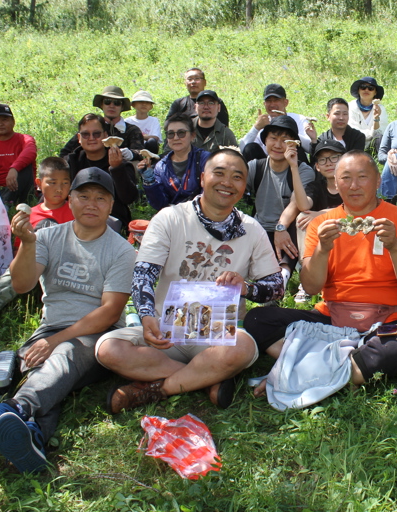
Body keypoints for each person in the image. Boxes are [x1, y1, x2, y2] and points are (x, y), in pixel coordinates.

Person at [0, 168, 135, 473]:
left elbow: (110, 313)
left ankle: (15, 408)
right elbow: (20, 284)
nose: (92, 204)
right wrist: (27, 244)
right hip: (49, 330)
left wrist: (54, 341)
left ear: (111, 206)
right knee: (49, 374)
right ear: (70, 200)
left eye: (100, 198)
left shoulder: (122, 250)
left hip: (98, 337)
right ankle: (34, 436)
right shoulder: (46, 236)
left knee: (64, 355)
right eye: (84, 196)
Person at [97, 149, 283, 413]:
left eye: (237, 177)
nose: (227, 182)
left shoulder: (251, 229)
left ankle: (158, 389)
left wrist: (247, 288)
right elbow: (143, 273)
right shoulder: (170, 218)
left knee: (241, 347)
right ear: (202, 177)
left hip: (218, 335)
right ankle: (206, 378)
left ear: (244, 186)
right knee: (108, 349)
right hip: (165, 331)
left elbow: (276, 288)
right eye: (219, 173)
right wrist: (147, 315)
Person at [245, 150, 397, 398]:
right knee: (257, 319)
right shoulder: (323, 224)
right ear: (335, 181)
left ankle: (302, 367)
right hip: (330, 317)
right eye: (345, 178)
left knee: (393, 350)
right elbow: (310, 287)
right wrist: (322, 249)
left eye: (362, 177)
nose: (354, 186)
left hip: (384, 318)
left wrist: (395, 246)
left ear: (376, 180)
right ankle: (345, 368)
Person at [245, 115, 314, 283]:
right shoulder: (255, 167)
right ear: (265, 141)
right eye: (273, 138)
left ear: (294, 144)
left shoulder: (304, 171)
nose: (277, 145)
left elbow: (296, 203)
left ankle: (283, 277)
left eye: (285, 140)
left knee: (301, 223)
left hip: (288, 228)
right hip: (260, 227)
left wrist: (281, 227)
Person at [63, 113, 139, 232]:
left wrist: (116, 169)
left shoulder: (120, 162)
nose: (91, 138)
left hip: (110, 218)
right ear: (79, 138)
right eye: (85, 134)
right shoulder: (70, 162)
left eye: (97, 134)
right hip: (76, 216)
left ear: (105, 135)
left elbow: (129, 198)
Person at [294, 140, 346, 303]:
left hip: (348, 233)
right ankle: (307, 273)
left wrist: (321, 213)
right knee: (302, 217)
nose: (328, 163)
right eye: (323, 160)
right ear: (317, 166)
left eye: (334, 158)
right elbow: (303, 205)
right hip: (321, 242)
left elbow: (355, 210)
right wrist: (294, 167)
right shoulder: (315, 186)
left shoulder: (351, 184)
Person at [139, 115, 210, 211]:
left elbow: (211, 196)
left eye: (181, 133)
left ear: (192, 136)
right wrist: (149, 182)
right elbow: (160, 204)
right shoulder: (161, 166)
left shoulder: (205, 160)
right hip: (173, 218)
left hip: (203, 215)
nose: (176, 138)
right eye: (171, 134)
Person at [59, 87, 144, 161]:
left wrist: (130, 154)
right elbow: (65, 153)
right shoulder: (92, 128)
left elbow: (140, 153)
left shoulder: (132, 130)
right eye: (107, 102)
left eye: (117, 103)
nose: (112, 106)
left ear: (122, 107)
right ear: (101, 105)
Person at [240, 84, 315, 161]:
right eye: (268, 101)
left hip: (292, 163)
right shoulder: (263, 122)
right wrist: (256, 128)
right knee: (251, 147)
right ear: (264, 104)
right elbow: (243, 150)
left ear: (285, 102)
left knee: (295, 148)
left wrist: (288, 128)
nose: (272, 104)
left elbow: (310, 148)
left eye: (276, 100)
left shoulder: (299, 119)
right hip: (268, 165)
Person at [165, 68, 231, 135]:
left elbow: (224, 126)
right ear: (185, 83)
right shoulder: (179, 103)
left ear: (205, 82)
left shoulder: (216, 102)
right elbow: (168, 125)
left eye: (197, 78)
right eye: (190, 79)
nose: (193, 82)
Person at [347, 76, 388, 154]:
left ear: (375, 92)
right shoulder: (350, 106)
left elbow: (381, 132)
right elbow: (352, 131)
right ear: (358, 90)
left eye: (370, 88)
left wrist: (376, 119)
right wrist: (371, 133)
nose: (366, 90)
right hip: (355, 143)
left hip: (375, 145)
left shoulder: (381, 109)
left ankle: (381, 161)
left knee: (379, 138)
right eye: (363, 87)